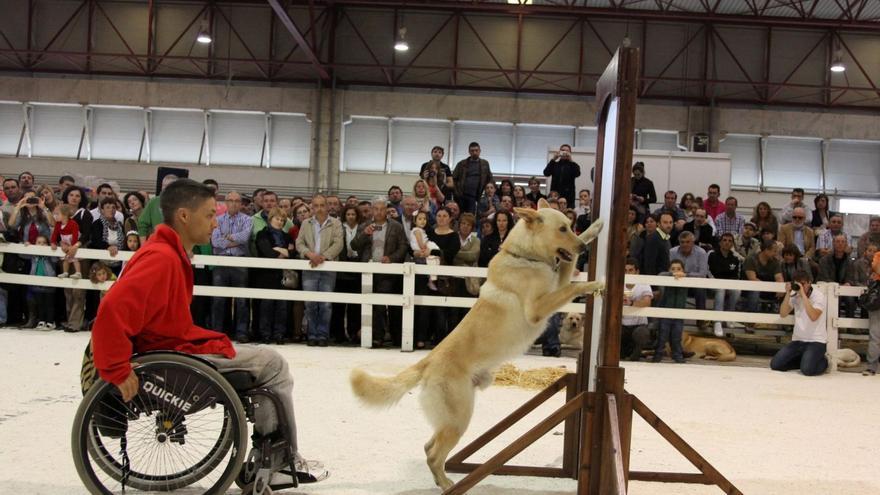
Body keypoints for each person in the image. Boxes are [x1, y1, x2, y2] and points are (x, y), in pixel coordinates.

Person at [89, 178, 327, 484]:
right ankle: (280, 462)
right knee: (273, 364)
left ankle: (276, 456)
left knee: (261, 357)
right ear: (184, 216)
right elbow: (111, 310)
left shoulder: (165, 252)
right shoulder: (161, 258)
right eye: (210, 215)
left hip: (170, 348)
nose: (216, 224)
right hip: (170, 358)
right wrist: (117, 369)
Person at [350, 196, 408, 347]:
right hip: (367, 271)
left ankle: (379, 336)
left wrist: (391, 258)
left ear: (386, 209)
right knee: (367, 304)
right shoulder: (364, 226)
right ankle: (370, 334)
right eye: (376, 209)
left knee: (381, 304)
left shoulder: (396, 226)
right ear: (372, 210)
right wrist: (365, 234)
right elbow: (354, 245)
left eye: (382, 209)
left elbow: (403, 247)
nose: (379, 212)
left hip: (387, 272)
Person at [295, 194, 344, 347]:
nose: (320, 208)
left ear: (327, 206)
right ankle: (312, 334)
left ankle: (322, 335)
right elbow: (299, 243)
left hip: (328, 266)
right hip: (309, 266)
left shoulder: (335, 223)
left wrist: (323, 256)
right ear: (312, 207)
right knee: (310, 303)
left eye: (322, 205)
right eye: (316, 206)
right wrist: (310, 254)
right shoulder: (306, 223)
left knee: (325, 304)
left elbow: (338, 244)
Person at [210, 191, 253, 342]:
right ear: (225, 203)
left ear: (241, 204)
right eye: (230, 200)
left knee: (242, 300)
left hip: (239, 261)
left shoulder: (248, 220)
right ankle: (217, 333)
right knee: (219, 300)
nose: (234, 203)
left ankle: (241, 332)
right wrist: (236, 240)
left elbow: (245, 237)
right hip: (221, 262)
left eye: (237, 201)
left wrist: (228, 237)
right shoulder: (217, 219)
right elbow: (215, 242)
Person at [770, 269, 828, 376]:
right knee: (776, 365)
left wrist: (803, 295)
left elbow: (813, 316)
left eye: (803, 284)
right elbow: (783, 313)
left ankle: (824, 362)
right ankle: (805, 361)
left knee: (807, 371)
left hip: (816, 341)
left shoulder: (818, 296)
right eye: (798, 284)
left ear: (809, 282)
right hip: (798, 340)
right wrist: (788, 293)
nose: (801, 287)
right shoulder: (794, 294)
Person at [254, 207, 293, 344]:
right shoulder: (262, 234)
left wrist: (278, 250)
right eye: (277, 219)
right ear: (270, 219)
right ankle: (265, 334)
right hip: (265, 275)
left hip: (282, 275)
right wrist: (284, 252)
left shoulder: (287, 236)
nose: (280, 222)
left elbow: (293, 255)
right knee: (266, 305)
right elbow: (267, 253)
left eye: (283, 220)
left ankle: (279, 334)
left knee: (282, 306)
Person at [330, 205, 363, 345]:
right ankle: (338, 334)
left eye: (353, 214)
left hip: (357, 268)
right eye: (348, 214)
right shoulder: (339, 227)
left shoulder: (362, 228)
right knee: (339, 306)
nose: (351, 216)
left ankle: (354, 333)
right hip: (341, 270)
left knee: (355, 307)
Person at [653, 259, 688, 363]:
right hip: (666, 314)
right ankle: (657, 356)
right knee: (662, 337)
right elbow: (659, 275)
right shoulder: (667, 279)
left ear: (683, 270)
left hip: (678, 315)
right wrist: (671, 274)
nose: (676, 271)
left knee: (677, 337)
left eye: (679, 269)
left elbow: (699, 276)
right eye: (673, 269)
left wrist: (685, 275)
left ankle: (677, 356)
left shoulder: (686, 280)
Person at [709, 233, 741, 336]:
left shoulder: (735, 259)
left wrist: (729, 284)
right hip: (712, 284)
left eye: (730, 241)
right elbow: (709, 272)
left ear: (732, 244)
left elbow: (735, 275)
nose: (727, 242)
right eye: (724, 240)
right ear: (720, 242)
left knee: (737, 291)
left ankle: (729, 316)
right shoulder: (712, 255)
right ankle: (717, 321)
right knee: (720, 289)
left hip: (729, 285)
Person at [817, 233, 856, 318]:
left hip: (845, 289)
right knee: (835, 299)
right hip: (829, 289)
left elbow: (851, 278)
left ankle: (850, 326)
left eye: (843, 242)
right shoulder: (824, 260)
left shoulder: (850, 261)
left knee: (850, 300)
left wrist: (848, 283)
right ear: (833, 243)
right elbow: (824, 278)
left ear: (846, 244)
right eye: (837, 241)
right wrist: (837, 286)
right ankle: (834, 325)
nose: (840, 244)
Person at [23, 234, 56, 329]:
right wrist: (28, 246)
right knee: (40, 303)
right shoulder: (34, 255)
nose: (41, 245)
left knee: (49, 304)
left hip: (49, 282)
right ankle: (41, 320)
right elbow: (22, 255)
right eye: (39, 243)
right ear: (35, 244)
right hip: (37, 283)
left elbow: (56, 259)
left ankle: (50, 321)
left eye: (44, 243)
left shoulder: (49, 255)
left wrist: (51, 249)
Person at [622, 258, 652, 361]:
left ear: (637, 272)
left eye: (631, 270)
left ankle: (636, 354)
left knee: (642, 333)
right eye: (625, 270)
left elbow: (647, 302)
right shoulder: (618, 283)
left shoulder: (643, 284)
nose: (627, 273)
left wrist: (631, 303)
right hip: (622, 325)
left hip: (638, 325)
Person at [452, 142, 493, 215]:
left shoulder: (485, 164)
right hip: (461, 195)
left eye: (476, 150)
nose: (474, 152)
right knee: (459, 215)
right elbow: (454, 178)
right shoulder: (462, 164)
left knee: (470, 216)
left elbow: (489, 178)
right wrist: (456, 193)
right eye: (472, 151)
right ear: (469, 152)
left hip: (474, 196)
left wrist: (490, 191)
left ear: (480, 151)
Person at [744, 239, 785, 313]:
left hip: (768, 289)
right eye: (774, 251)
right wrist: (768, 287)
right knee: (755, 290)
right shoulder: (751, 259)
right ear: (766, 250)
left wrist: (780, 288)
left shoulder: (775, 262)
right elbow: (752, 279)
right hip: (751, 288)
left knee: (784, 290)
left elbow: (779, 277)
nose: (776, 254)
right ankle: (751, 318)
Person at [88, 198, 125, 274]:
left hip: (118, 263)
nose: (111, 209)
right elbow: (96, 240)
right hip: (101, 264)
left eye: (113, 207)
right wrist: (108, 246)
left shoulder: (120, 225)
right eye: (108, 207)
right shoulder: (97, 224)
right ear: (102, 210)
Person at [410, 210, 442, 291]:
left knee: (435, 258)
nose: (423, 221)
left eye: (424, 219)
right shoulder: (417, 230)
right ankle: (431, 279)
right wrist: (424, 248)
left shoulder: (421, 230)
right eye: (420, 219)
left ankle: (431, 278)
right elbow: (420, 242)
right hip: (421, 248)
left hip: (425, 246)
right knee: (434, 257)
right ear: (415, 221)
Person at [50, 204, 83, 279]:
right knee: (65, 259)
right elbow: (54, 234)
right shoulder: (58, 224)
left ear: (65, 215)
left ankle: (78, 272)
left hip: (72, 244)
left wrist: (72, 246)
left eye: (57, 214)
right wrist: (53, 243)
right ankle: (65, 272)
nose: (55, 216)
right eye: (55, 214)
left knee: (75, 258)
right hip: (65, 243)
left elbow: (75, 236)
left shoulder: (73, 224)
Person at [864, 246, 880, 376]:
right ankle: (871, 367)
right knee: (875, 336)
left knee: (875, 336)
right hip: (877, 301)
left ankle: (872, 367)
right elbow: (876, 269)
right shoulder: (878, 256)